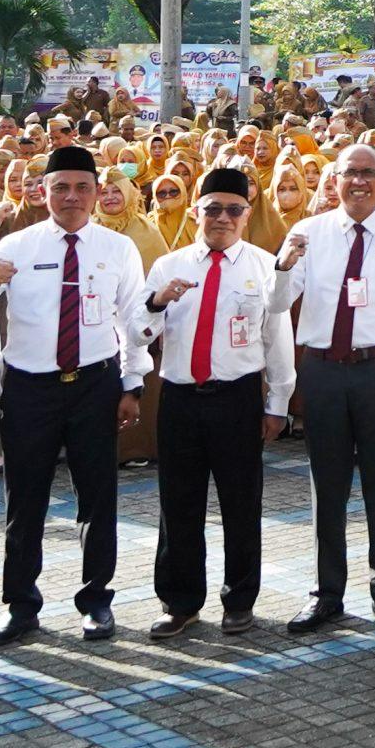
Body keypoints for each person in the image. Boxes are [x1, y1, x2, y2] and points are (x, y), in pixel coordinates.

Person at [0, 144, 149, 647]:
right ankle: (20, 605)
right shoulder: (15, 247)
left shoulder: (118, 249)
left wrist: (132, 382)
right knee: (25, 500)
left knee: (98, 496)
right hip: (30, 387)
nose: (72, 197)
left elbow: (133, 320)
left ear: (95, 193)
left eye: (82, 188)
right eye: (60, 187)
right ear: (43, 191)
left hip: (95, 383)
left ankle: (96, 601)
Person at [271, 143, 375, 632]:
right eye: (349, 174)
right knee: (328, 485)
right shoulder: (308, 232)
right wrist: (282, 264)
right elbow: (278, 304)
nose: (358, 182)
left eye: (369, 174)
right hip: (323, 372)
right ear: (333, 180)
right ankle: (326, 593)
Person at [136, 167, 292, 639]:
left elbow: (276, 339)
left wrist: (278, 401)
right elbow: (140, 332)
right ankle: (180, 602)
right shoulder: (169, 265)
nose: (222, 218)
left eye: (233, 209)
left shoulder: (264, 267)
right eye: (213, 209)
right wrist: (156, 304)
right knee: (178, 504)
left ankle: (239, 600)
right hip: (181, 398)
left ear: (247, 214)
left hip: (237, 397)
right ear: (195, 211)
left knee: (241, 503)